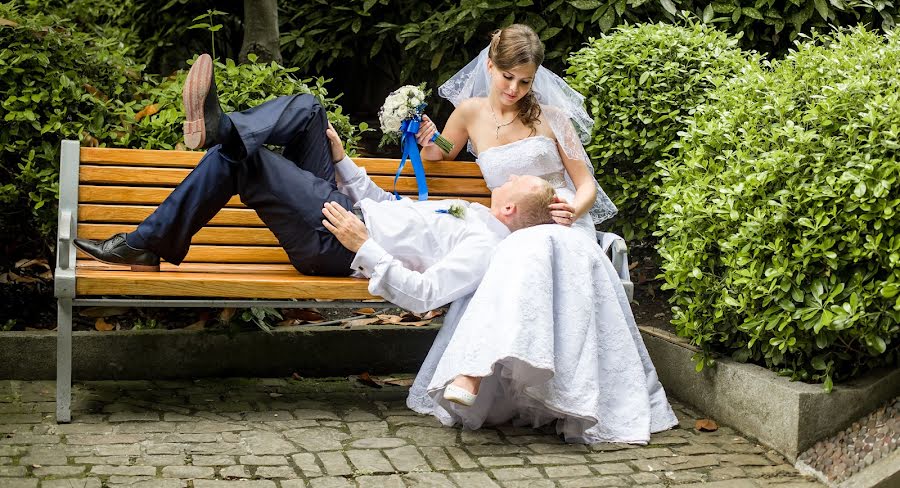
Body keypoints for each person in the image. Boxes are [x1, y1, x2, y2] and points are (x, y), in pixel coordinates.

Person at [74, 54, 557, 309]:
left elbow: (425, 295)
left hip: (337, 243)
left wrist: (365, 245)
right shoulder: (471, 212)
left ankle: (148, 238)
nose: (511, 175)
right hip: (348, 207)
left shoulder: (483, 247)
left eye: (519, 182)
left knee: (245, 160)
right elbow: (390, 201)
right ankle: (214, 141)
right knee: (307, 109)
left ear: (509, 210)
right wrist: (346, 163)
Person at [406, 25, 679, 444]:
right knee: (513, 249)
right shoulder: (468, 112)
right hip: (513, 226)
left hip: (561, 220)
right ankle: (486, 375)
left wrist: (574, 208)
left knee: (528, 247)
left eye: (525, 81)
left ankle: (475, 373)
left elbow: (585, 183)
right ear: (489, 65)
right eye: (507, 77)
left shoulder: (551, 118)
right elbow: (440, 152)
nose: (515, 88)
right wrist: (429, 137)